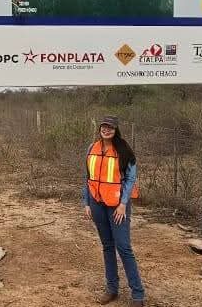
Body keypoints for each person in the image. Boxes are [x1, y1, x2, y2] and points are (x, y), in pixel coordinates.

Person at [82, 115, 145, 306]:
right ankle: (112, 289)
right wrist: (87, 203)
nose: (106, 129)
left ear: (116, 130)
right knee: (107, 246)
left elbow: (130, 179)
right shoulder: (91, 148)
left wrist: (123, 204)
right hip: (97, 204)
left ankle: (138, 294)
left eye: (110, 127)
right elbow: (88, 178)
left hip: (117, 207)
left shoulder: (124, 150)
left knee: (123, 247)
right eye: (104, 126)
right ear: (100, 128)